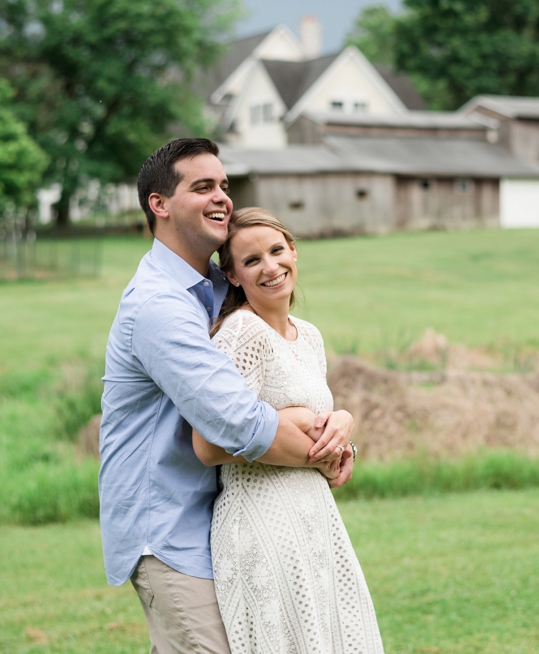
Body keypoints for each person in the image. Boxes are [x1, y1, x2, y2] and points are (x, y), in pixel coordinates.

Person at [98, 137, 355, 654]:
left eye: (224, 185)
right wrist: (326, 449)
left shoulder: (218, 288)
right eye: (202, 187)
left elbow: (282, 377)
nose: (221, 197)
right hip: (169, 531)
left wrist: (340, 419)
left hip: (222, 523)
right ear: (160, 205)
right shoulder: (159, 307)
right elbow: (238, 424)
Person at [192, 207, 384, 654]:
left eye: (277, 251)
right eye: (252, 260)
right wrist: (295, 426)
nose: (271, 267)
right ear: (233, 275)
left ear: (294, 252)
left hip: (314, 516)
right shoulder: (242, 334)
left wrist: (343, 424)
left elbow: (313, 418)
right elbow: (210, 442)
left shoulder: (309, 335)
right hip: (262, 518)